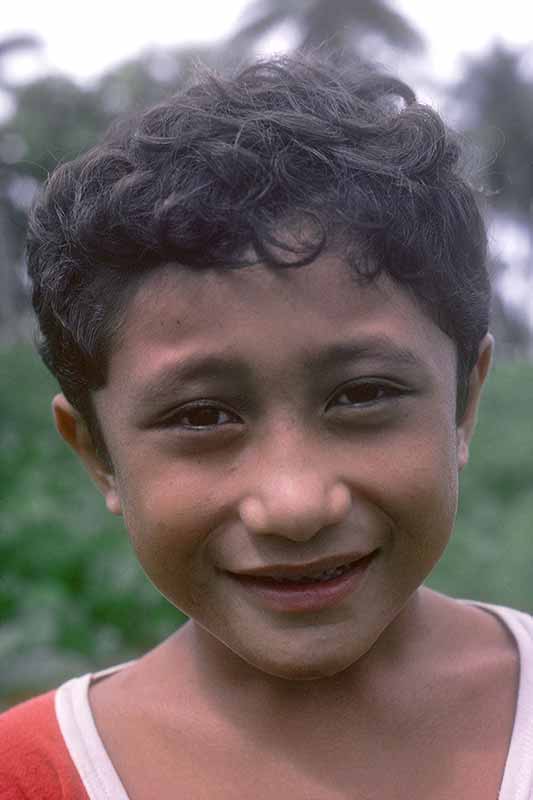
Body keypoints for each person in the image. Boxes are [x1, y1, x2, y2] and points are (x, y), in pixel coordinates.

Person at [1, 52, 531, 800]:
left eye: (362, 395)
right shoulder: (25, 776)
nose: (293, 505)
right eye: (201, 415)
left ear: (462, 405)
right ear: (98, 453)